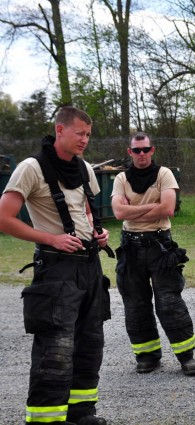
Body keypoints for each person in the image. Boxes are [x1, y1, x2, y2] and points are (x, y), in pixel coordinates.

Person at [0, 107, 110, 425]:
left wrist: (98, 234)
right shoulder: (31, 168)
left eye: (88, 134)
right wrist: (51, 239)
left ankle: (80, 412)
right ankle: (45, 420)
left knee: (90, 342)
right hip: (57, 268)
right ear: (60, 130)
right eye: (80, 133)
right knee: (56, 348)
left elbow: (87, 213)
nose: (85, 140)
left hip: (90, 267)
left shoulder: (85, 168)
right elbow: (5, 219)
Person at [111, 132, 195, 376]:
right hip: (131, 247)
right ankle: (147, 356)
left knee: (169, 302)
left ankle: (186, 357)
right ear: (130, 152)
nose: (141, 154)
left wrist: (133, 209)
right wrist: (153, 207)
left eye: (145, 149)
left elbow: (168, 208)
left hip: (160, 245)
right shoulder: (121, 178)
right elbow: (118, 213)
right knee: (136, 304)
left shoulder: (164, 174)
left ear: (152, 150)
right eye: (136, 150)